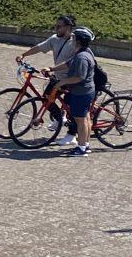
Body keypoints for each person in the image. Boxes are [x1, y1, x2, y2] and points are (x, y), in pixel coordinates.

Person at [17, 14, 79, 144]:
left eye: (59, 26)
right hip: (57, 77)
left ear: (68, 28)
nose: (56, 28)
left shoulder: (75, 42)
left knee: (71, 107)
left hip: (70, 80)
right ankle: (59, 119)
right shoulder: (55, 39)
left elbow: (74, 62)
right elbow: (40, 47)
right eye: (55, 25)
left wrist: (52, 68)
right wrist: (23, 55)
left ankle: (72, 134)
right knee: (46, 98)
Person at [54, 27, 97, 157]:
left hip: (81, 92)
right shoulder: (82, 52)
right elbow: (68, 63)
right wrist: (52, 68)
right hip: (85, 91)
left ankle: (82, 148)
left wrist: (62, 82)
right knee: (85, 118)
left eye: (73, 38)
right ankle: (86, 145)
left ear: (78, 40)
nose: (71, 40)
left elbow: (79, 77)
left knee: (80, 120)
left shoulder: (82, 57)